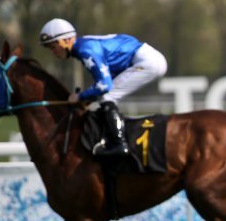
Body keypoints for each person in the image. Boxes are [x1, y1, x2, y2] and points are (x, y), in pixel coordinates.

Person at [39, 18, 167, 157]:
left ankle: (120, 144)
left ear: (67, 40)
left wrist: (80, 96)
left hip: (147, 62)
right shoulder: (83, 46)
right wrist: (87, 98)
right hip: (146, 58)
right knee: (104, 97)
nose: (53, 52)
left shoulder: (85, 50)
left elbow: (104, 86)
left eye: (53, 47)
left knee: (107, 96)